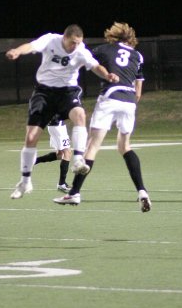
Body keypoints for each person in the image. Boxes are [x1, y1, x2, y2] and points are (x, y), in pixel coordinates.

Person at [5, 24, 119, 199]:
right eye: (73, 42)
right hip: (44, 92)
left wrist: (107, 75)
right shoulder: (51, 40)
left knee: (80, 115)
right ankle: (25, 181)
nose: (76, 46)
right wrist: (18, 51)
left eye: (78, 43)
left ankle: (78, 160)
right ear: (64, 38)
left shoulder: (81, 50)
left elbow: (96, 66)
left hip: (67, 91)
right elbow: (30, 46)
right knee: (31, 137)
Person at [53, 21, 151, 212]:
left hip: (110, 97)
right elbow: (138, 91)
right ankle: (142, 192)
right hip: (129, 101)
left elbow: (83, 57)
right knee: (125, 147)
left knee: (92, 146)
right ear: (130, 38)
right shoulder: (138, 56)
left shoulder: (105, 49)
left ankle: (74, 193)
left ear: (112, 35)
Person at [34, 115, 72, 192]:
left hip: (55, 126)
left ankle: (34, 161)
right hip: (58, 126)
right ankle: (61, 184)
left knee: (60, 155)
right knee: (67, 153)